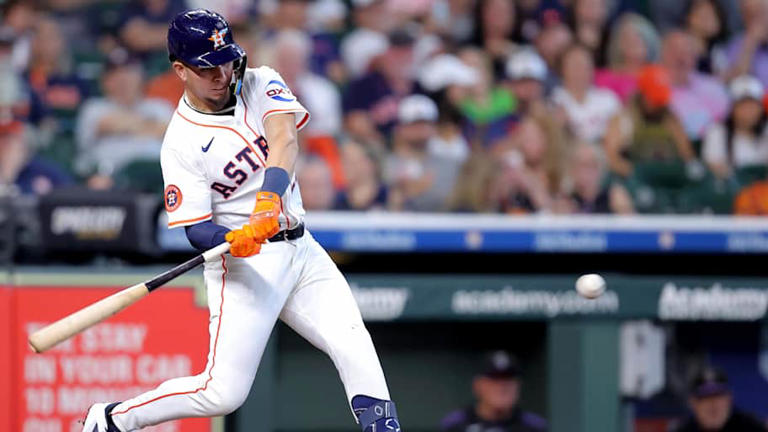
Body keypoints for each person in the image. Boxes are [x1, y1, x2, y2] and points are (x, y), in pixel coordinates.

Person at [81, 9, 401, 432]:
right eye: (206, 67)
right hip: (246, 264)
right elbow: (194, 228)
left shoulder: (260, 79)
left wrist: (269, 200)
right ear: (180, 70)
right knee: (223, 393)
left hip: (302, 248)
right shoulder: (180, 142)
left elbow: (285, 138)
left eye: (226, 60)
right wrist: (230, 237)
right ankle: (114, 418)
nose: (221, 73)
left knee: (353, 343)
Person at [74, 48, 173, 189]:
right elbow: (109, 124)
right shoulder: (94, 108)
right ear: (105, 81)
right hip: (113, 177)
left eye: (129, 72)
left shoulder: (159, 106)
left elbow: (171, 133)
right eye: (116, 74)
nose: (123, 79)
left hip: (157, 176)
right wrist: (151, 126)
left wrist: (127, 126)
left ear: (141, 77)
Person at [440, 351, 547, 432]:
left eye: (508, 380)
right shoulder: (456, 424)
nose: (502, 387)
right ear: (478, 385)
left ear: (518, 385)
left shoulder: (534, 426)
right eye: (495, 380)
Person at [661, 30, 729, 141]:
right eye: (674, 52)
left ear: (694, 57)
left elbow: (725, 123)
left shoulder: (713, 87)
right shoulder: (651, 87)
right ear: (662, 54)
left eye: (685, 52)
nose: (680, 58)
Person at [551, 44, 621, 144]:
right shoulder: (553, 101)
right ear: (562, 69)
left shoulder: (608, 98)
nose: (582, 69)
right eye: (576, 65)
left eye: (586, 64)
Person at [702, 75, 768, 180]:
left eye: (753, 105)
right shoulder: (717, 131)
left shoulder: (766, 130)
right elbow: (714, 166)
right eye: (743, 105)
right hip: (732, 191)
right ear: (732, 108)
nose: (749, 111)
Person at [673, 366, 766, 432]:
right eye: (706, 397)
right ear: (693, 403)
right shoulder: (684, 429)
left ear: (729, 399)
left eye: (718, 396)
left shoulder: (750, 427)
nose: (713, 404)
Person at [596, 13, 661, 103]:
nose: (633, 43)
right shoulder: (603, 78)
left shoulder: (658, 76)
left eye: (638, 38)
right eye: (627, 39)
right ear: (618, 44)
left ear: (649, 43)